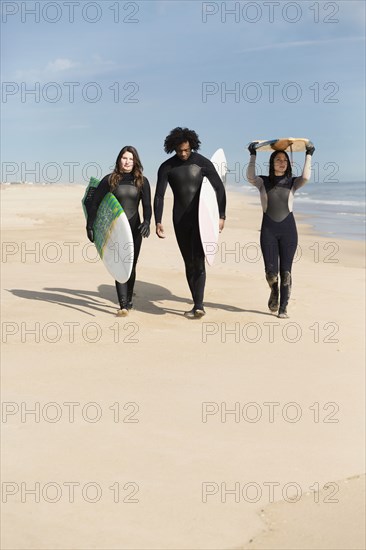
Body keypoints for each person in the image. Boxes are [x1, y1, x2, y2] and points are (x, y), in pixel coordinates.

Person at [154, 127, 226, 318]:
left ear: (192, 146)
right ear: (173, 149)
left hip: (201, 220)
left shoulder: (203, 164)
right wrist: (158, 220)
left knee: (199, 261)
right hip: (179, 219)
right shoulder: (167, 167)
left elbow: (219, 189)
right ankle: (196, 302)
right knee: (188, 262)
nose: (183, 154)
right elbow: (159, 196)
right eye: (179, 151)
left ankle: (199, 305)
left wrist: (221, 216)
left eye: (186, 150)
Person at [246, 141, 315, 318]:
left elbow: (306, 177)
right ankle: (273, 291)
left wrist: (309, 154)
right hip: (268, 230)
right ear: (272, 162)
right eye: (278, 159)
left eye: (284, 159)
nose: (282, 162)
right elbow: (250, 176)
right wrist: (253, 154)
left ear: (288, 163)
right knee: (271, 273)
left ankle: (283, 308)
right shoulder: (263, 181)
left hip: (289, 231)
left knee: (286, 272)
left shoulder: (293, 182)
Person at [86, 145, 152, 316]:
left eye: (131, 159)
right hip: (116, 230)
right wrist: (90, 225)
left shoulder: (142, 182)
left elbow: (147, 206)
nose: (127, 162)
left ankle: (129, 298)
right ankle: (123, 305)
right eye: (124, 158)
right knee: (119, 264)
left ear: (135, 161)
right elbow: (95, 203)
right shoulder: (110, 180)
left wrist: (147, 222)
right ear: (119, 160)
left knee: (131, 265)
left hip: (135, 229)